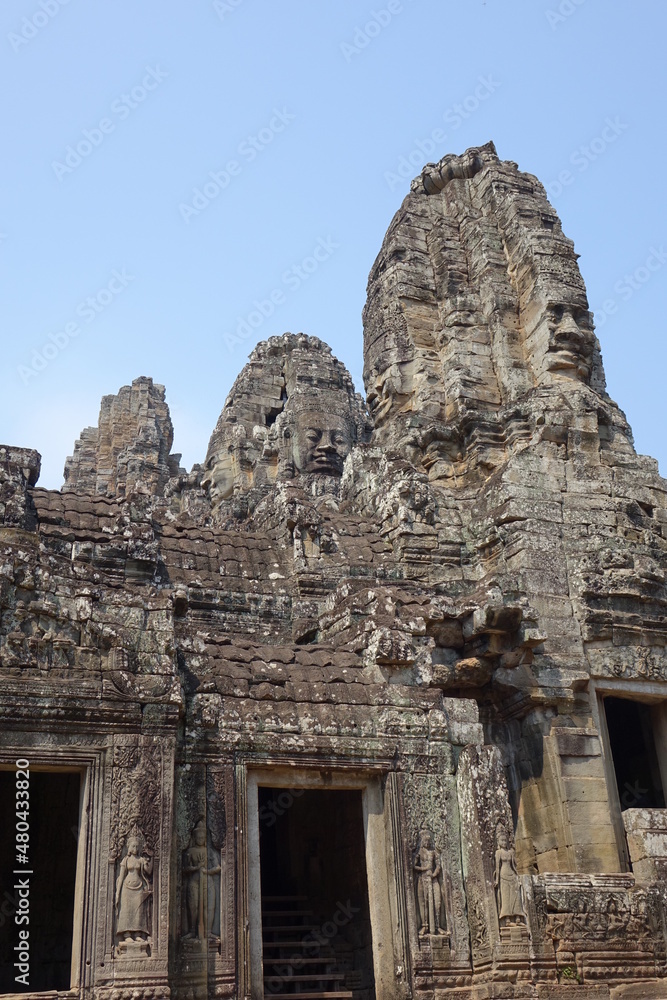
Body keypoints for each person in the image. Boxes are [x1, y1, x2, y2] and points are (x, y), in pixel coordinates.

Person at [115, 833, 153, 943]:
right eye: (133, 846)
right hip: (127, 888)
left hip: (139, 888)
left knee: (138, 911)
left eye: (137, 846)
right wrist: (117, 892)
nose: (135, 849)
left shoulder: (141, 859)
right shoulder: (126, 860)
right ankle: (127, 934)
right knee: (127, 910)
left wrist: (150, 858)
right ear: (129, 847)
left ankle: (137, 934)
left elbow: (148, 871)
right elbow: (121, 877)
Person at [413, 829, 446, 936]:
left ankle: (438, 926)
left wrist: (434, 874)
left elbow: (438, 866)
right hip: (423, 879)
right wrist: (424, 869)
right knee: (423, 903)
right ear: (422, 842)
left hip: (433, 879)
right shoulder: (419, 852)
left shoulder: (433, 852)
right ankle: (424, 926)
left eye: (428, 841)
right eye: (425, 841)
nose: (427, 843)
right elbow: (414, 866)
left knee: (437, 902)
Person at [493, 826, 524, 923]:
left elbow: (514, 865)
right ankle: (507, 918)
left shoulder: (511, 852)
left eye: (505, 840)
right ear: (498, 842)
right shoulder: (498, 852)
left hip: (512, 875)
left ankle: (517, 916)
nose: (504, 842)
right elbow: (497, 867)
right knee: (505, 897)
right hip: (503, 875)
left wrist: (517, 877)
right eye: (502, 840)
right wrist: (496, 880)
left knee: (516, 896)